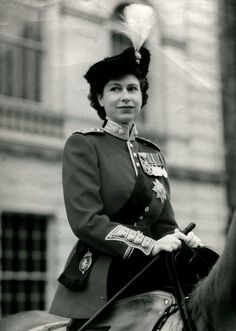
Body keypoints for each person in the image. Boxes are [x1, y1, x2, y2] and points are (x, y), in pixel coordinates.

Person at [49, 44, 208, 330]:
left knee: (205, 276)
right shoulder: (84, 145)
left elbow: (163, 224)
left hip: (153, 260)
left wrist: (180, 237)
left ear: (142, 97)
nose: (125, 97)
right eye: (115, 89)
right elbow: (86, 221)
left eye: (132, 89)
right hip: (107, 265)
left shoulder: (153, 152)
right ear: (100, 97)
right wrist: (149, 245)